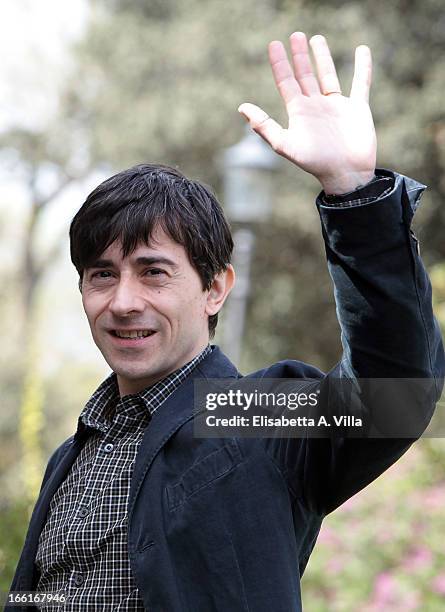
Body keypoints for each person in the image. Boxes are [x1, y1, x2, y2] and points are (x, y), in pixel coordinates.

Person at [7, 32, 444, 612]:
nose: (123, 301)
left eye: (154, 273)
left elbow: (396, 395)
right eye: (102, 275)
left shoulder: (248, 414)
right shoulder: (73, 454)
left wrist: (353, 194)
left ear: (216, 288)